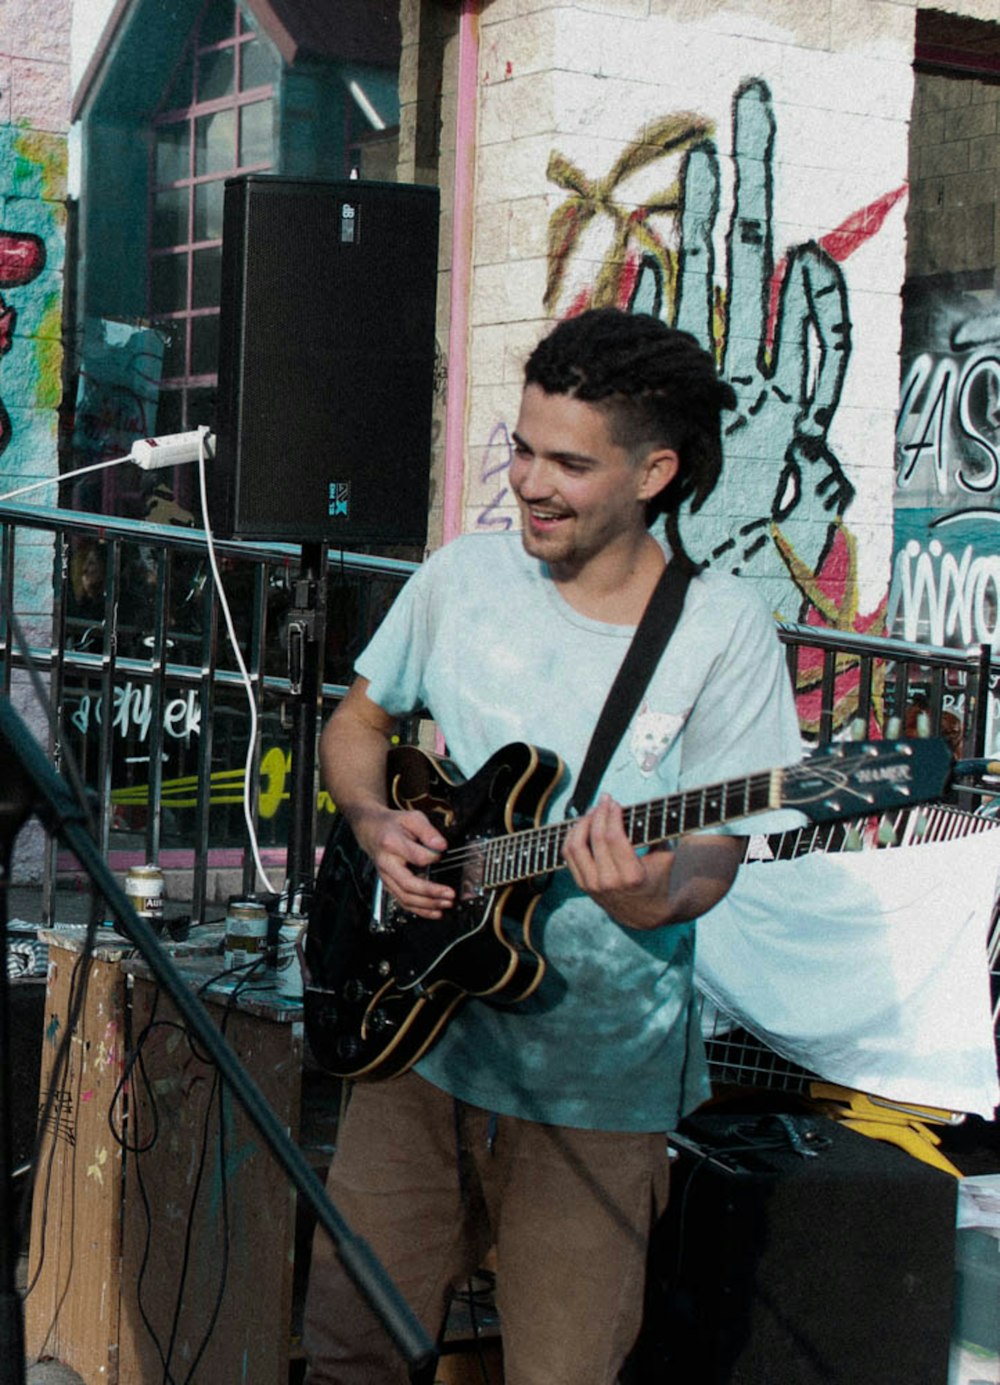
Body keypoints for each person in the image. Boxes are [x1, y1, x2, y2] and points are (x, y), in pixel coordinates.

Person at [303, 308, 803, 1384]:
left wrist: (646, 900)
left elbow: (710, 859)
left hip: (598, 1087)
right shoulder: (462, 577)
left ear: (655, 471)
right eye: (524, 447)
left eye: (569, 463)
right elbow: (356, 723)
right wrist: (374, 820)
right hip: (416, 1045)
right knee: (351, 1350)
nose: (529, 482)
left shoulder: (721, 633)